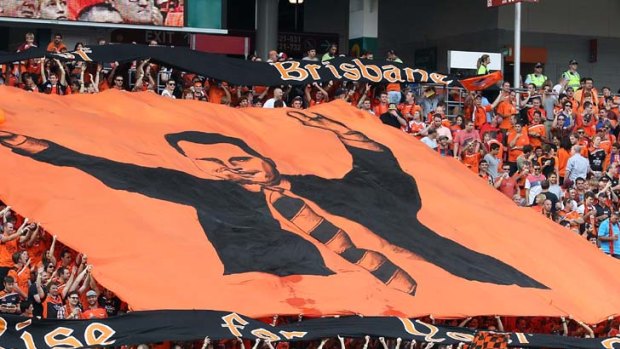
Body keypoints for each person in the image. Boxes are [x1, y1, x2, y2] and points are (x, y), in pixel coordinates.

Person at [0, 115, 546, 296]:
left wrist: (343, 131)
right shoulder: (203, 193)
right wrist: (33, 147)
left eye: (234, 161)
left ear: (255, 152)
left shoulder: (325, 188)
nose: (226, 171)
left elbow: (386, 176)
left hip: (445, 276)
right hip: (304, 290)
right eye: (212, 167)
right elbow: (111, 169)